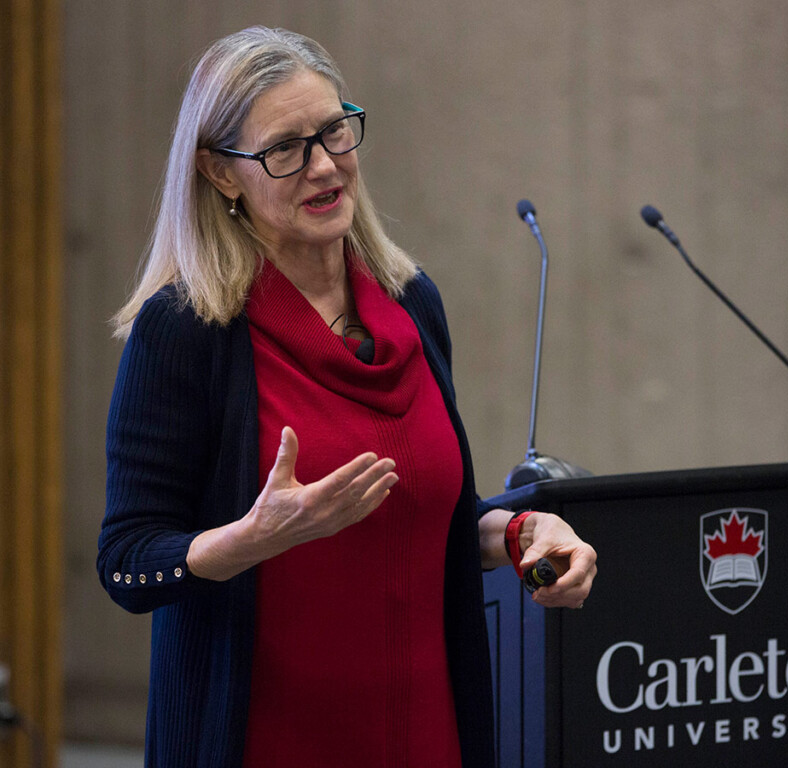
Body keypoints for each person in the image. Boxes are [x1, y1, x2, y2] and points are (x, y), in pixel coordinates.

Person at [97, 25, 596, 768]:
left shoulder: (412, 303)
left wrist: (523, 533)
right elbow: (127, 562)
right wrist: (252, 538)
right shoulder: (187, 329)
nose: (325, 165)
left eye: (334, 130)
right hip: (267, 741)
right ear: (221, 174)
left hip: (430, 734)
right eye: (285, 149)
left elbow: (424, 523)